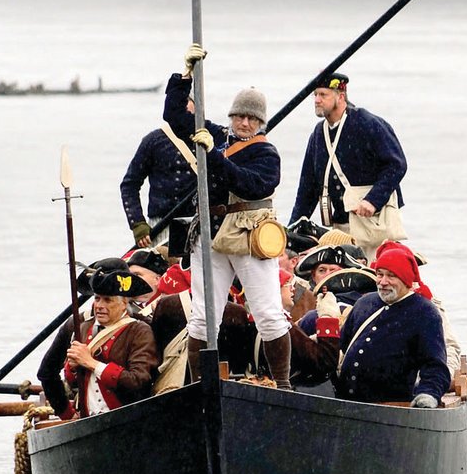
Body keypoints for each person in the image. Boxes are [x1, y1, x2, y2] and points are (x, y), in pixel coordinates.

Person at [163, 43, 293, 388]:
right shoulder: (216, 136)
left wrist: (212, 156)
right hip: (209, 234)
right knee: (203, 320)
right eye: (239, 116)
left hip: (248, 236)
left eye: (251, 118)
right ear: (232, 117)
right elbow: (174, 117)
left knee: (268, 314)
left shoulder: (267, 154)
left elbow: (249, 185)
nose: (244, 122)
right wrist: (184, 76)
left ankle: (283, 384)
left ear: (261, 122)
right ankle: (197, 387)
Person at [315, 241, 450, 407]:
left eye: (391, 276)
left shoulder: (425, 312)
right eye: (380, 274)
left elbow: (435, 365)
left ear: (406, 279)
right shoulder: (365, 303)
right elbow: (338, 347)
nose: (383, 281)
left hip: (393, 408)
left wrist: (429, 394)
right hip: (346, 402)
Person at [288, 73, 409, 254]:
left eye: (323, 95)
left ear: (341, 96)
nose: (317, 100)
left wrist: (372, 200)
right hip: (341, 229)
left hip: (374, 225)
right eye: (315, 95)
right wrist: (291, 230)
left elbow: (396, 164)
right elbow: (307, 188)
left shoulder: (367, 123)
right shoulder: (318, 134)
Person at [51, 268, 159, 418]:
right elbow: (74, 383)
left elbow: (138, 381)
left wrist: (92, 363)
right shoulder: (84, 328)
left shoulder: (139, 331)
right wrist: (73, 367)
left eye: (108, 300)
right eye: (97, 298)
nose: (99, 305)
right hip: (89, 420)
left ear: (123, 304)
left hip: (128, 420)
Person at [120, 99, 198, 249]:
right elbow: (130, 185)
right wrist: (137, 223)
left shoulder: (210, 140)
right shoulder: (153, 141)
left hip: (200, 224)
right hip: (161, 225)